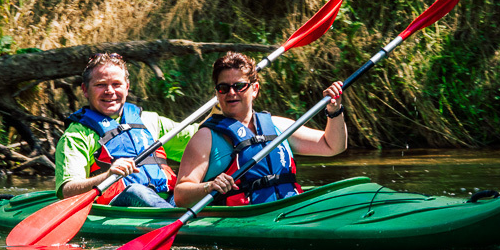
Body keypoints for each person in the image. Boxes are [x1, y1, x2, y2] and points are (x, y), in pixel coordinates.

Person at [173, 51, 347, 207]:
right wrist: (209, 187)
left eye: (239, 86)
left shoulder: (278, 126)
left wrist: (334, 111)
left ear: (254, 89)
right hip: (243, 220)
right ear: (217, 93)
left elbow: (332, 146)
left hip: (288, 210)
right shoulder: (205, 137)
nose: (231, 93)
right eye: (224, 88)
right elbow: (180, 194)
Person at [55, 53, 195, 208]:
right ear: (85, 90)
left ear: (127, 88)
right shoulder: (76, 135)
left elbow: (202, 139)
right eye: (101, 85)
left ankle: (187, 221)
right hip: (120, 207)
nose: (109, 91)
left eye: (116, 84)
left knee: (195, 189)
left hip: (170, 201)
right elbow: (67, 191)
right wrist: (108, 176)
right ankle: (180, 225)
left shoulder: (150, 120)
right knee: (136, 191)